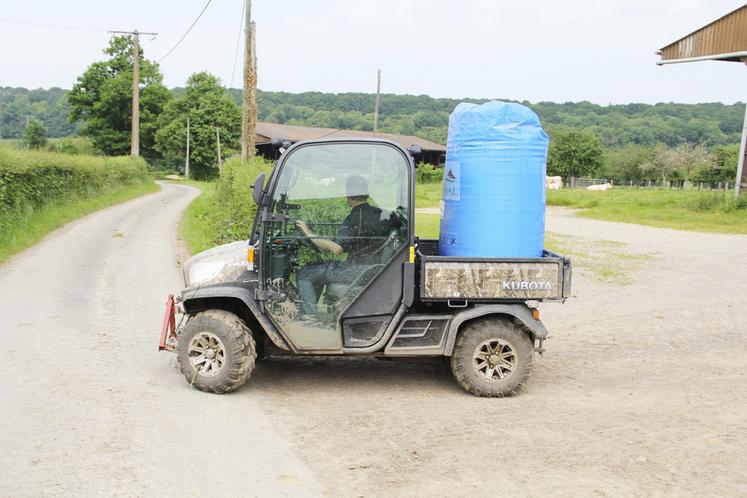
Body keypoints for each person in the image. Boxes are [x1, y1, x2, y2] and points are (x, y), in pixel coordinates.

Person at [294, 175, 388, 316]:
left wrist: (308, 233)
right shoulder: (379, 213)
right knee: (318, 265)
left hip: (358, 270)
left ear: (349, 196)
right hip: (372, 267)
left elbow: (336, 248)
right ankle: (311, 312)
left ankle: (309, 320)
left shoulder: (354, 217)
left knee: (304, 273)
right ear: (366, 194)